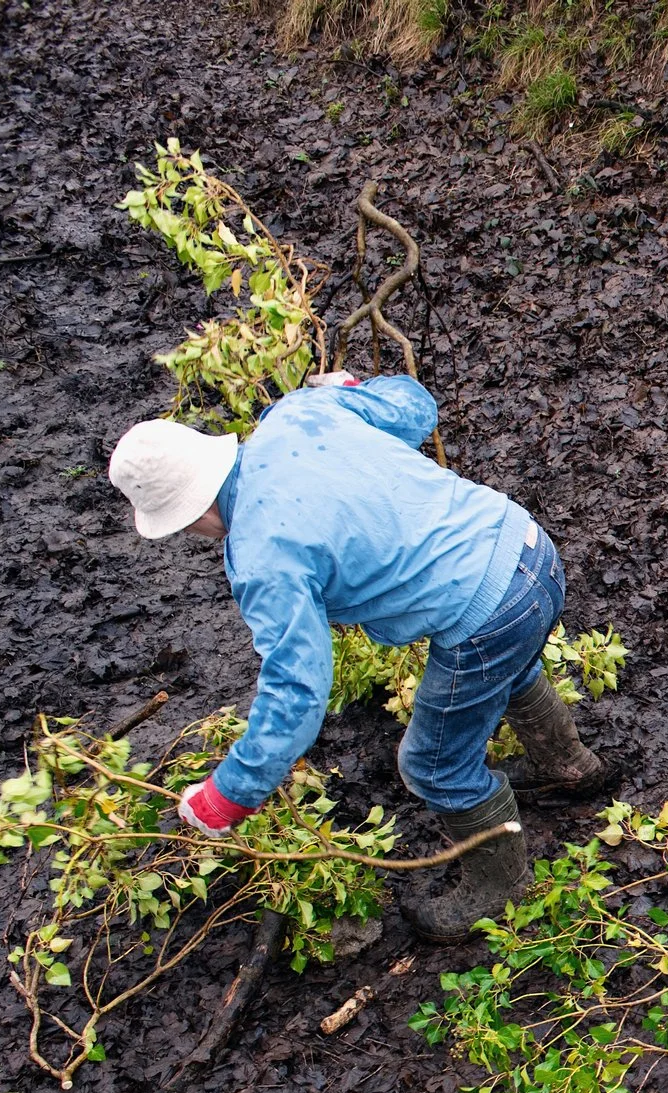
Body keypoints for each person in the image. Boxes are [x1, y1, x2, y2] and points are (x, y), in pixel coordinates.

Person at [106, 373, 616, 941]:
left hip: (488, 615)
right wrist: (348, 386)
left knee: (432, 766)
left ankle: (503, 886)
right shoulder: (298, 414)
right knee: (510, 666)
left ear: (186, 514)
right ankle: (570, 767)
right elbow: (415, 406)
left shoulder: (261, 557)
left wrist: (226, 796)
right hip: (527, 547)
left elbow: (296, 691)